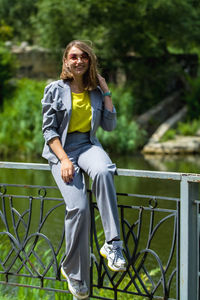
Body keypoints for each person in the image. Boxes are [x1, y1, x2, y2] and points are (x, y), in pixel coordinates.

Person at [41, 40, 126, 299]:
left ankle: (113, 245)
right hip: (62, 151)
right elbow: (49, 130)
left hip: (88, 146)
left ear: (90, 61)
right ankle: (73, 271)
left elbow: (110, 127)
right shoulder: (54, 89)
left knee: (103, 171)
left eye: (84, 57)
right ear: (66, 61)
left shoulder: (96, 92)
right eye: (74, 56)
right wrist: (65, 160)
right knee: (78, 207)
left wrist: (107, 91)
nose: (79, 61)